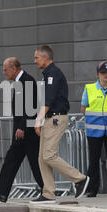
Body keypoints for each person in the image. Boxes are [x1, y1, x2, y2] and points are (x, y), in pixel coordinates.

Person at [31, 45, 89, 203]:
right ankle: (48, 193)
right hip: (50, 119)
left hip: (55, 119)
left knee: (48, 155)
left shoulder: (53, 74)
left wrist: (38, 120)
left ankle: (79, 179)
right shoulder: (47, 74)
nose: (34, 60)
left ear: (45, 57)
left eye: (36, 57)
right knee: (42, 159)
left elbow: (48, 101)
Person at [0, 57, 43, 202]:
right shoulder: (19, 82)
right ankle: (1, 193)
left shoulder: (27, 81)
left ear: (14, 68)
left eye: (5, 69)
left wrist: (22, 127)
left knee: (35, 163)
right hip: (21, 130)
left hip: (26, 131)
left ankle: (48, 191)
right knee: (11, 160)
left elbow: (30, 107)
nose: (4, 73)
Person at [81, 61, 107, 197]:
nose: (105, 75)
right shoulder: (89, 88)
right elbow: (84, 108)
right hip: (94, 130)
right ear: (97, 74)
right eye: (102, 72)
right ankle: (92, 189)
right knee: (94, 160)